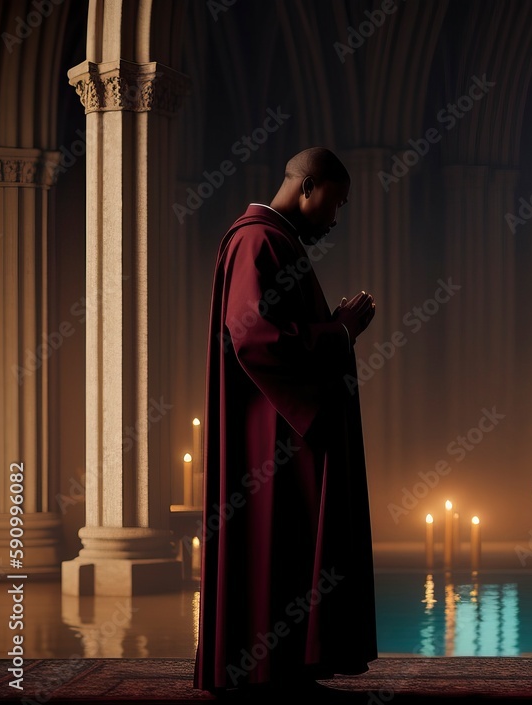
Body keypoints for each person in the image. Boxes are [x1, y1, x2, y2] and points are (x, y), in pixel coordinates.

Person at [194, 147, 378, 697]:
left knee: (286, 547)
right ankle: (267, 675)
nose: (335, 217)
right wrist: (339, 332)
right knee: (281, 542)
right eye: (334, 202)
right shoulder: (260, 240)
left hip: (276, 430)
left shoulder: (274, 240)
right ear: (307, 185)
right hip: (272, 437)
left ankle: (280, 670)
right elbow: (254, 336)